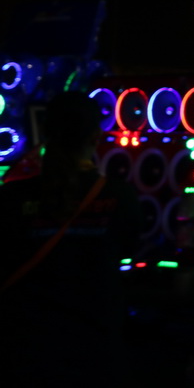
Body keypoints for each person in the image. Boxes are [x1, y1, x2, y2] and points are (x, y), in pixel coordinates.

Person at [0, 90, 140, 384]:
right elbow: (128, 250)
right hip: (96, 349)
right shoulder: (121, 196)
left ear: (45, 133)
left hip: (27, 350)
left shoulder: (11, 197)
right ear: (95, 136)